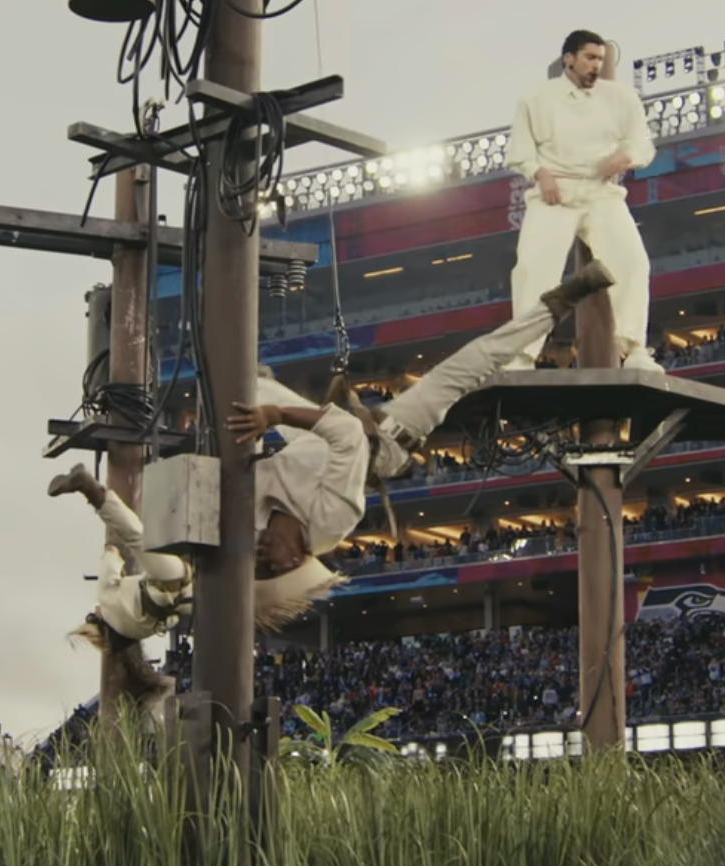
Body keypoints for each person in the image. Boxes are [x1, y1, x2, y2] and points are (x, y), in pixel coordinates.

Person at [230, 261, 614, 629]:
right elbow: (347, 435)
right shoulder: (330, 523)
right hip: (386, 438)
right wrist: (276, 416)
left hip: (314, 440)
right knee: (472, 363)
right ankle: (565, 299)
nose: (258, 555)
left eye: (255, 564)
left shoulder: (254, 515)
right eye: (266, 565)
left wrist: (266, 418)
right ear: (292, 561)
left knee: (242, 386)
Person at [506, 29, 659, 372]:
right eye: (590, 58)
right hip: (554, 192)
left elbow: (643, 144)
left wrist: (626, 157)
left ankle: (635, 350)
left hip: (602, 192)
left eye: (600, 59)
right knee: (533, 269)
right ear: (569, 59)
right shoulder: (536, 99)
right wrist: (540, 173)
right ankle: (521, 354)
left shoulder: (621, 98)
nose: (596, 66)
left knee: (633, 262)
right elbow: (519, 152)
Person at [49, 464, 194, 713]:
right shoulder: (107, 602)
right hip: (166, 581)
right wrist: (113, 556)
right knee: (137, 536)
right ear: (97, 619)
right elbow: (111, 558)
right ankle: (90, 488)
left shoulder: (138, 631)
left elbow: (170, 619)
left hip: (184, 595)